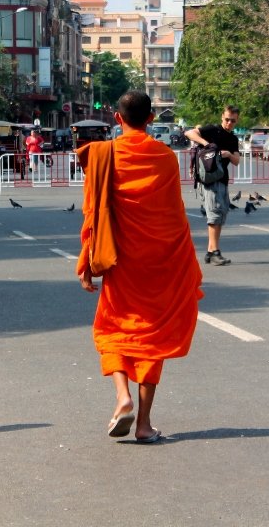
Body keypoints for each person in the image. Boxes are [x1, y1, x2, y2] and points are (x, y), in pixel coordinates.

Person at [76, 91, 203, 443]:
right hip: (160, 262)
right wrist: (186, 263)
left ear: (118, 119)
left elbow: (94, 214)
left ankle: (122, 397)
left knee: (111, 326)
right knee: (152, 337)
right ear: (150, 119)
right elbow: (173, 216)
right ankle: (144, 424)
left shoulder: (104, 155)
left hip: (121, 260)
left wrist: (87, 259)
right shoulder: (164, 157)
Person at [185, 105, 241, 266]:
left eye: (233, 121)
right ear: (222, 117)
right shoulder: (213, 130)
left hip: (222, 179)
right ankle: (215, 251)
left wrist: (229, 154)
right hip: (210, 179)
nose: (229, 123)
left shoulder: (232, 139)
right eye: (227, 119)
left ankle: (210, 251)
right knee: (214, 214)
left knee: (221, 214)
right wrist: (207, 144)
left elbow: (237, 161)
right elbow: (189, 132)